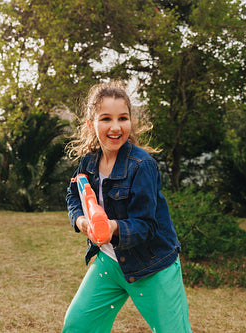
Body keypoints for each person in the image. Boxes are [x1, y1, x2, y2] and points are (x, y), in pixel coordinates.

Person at [63, 80, 192, 333]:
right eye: (106, 119)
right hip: (110, 262)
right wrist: (81, 221)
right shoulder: (89, 162)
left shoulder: (142, 165)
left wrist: (112, 227)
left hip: (153, 266)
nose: (115, 127)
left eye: (122, 118)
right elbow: (74, 194)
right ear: (92, 124)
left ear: (130, 121)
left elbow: (147, 225)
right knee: (78, 325)